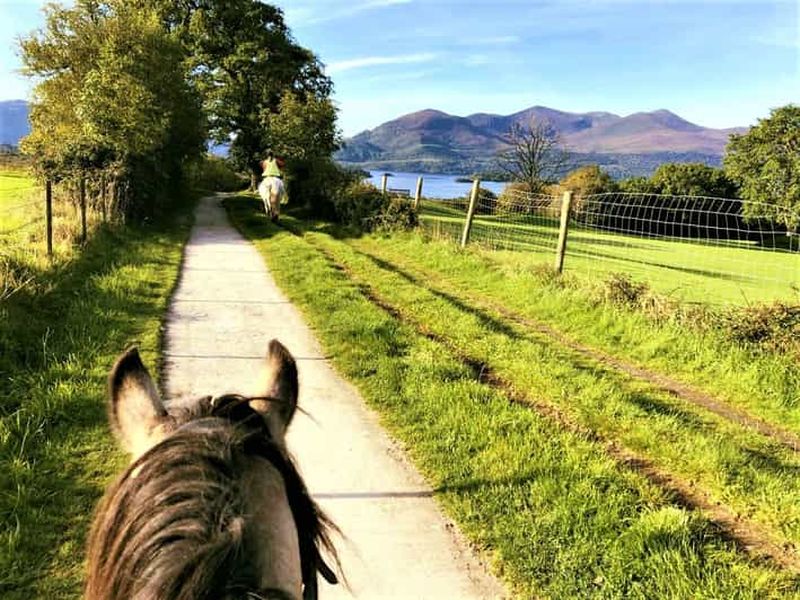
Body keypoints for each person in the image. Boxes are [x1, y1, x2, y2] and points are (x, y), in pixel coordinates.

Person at [258, 150, 285, 222]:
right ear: (273, 155)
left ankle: (269, 210)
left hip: (267, 178)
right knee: (278, 197)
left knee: (263, 193)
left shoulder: (263, 162)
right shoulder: (276, 161)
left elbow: (263, 168)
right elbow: (282, 164)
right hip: (276, 178)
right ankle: (276, 213)